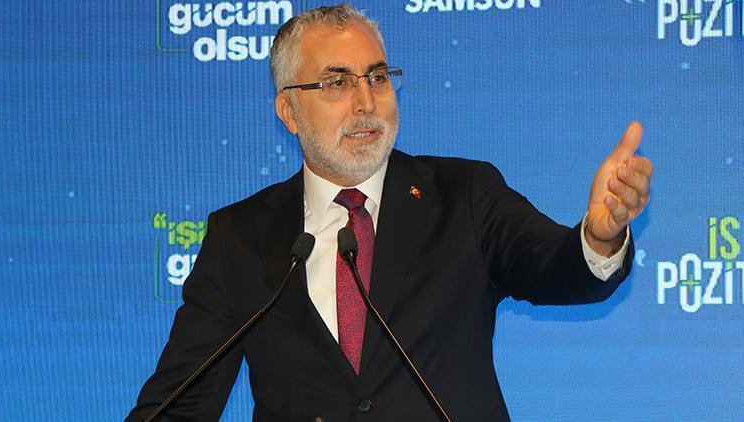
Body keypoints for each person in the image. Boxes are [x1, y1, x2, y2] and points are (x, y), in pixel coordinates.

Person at [127, 3, 653, 421]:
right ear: (289, 110)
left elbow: (554, 267)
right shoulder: (240, 236)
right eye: (337, 82)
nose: (365, 102)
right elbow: (180, 403)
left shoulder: (463, 194)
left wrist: (599, 236)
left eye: (377, 77)